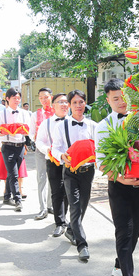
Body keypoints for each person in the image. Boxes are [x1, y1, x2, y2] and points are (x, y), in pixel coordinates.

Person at [95, 78, 139, 276]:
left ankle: (120, 264)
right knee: (124, 231)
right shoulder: (103, 126)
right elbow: (102, 163)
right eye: (115, 98)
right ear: (107, 100)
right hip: (119, 186)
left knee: (136, 227)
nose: (121, 102)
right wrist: (122, 180)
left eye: (123, 97)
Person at [51, 90, 96, 261]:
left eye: (81, 102)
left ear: (85, 104)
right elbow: (56, 147)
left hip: (88, 171)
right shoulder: (61, 125)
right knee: (75, 207)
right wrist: (61, 156)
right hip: (70, 172)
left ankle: (71, 230)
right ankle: (82, 244)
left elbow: (99, 148)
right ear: (70, 105)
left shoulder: (93, 126)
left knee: (83, 205)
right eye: (75, 102)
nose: (78, 105)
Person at [36, 93, 71, 237]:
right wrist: (48, 150)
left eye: (66, 102)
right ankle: (59, 223)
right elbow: (39, 142)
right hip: (53, 161)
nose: (64, 104)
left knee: (69, 192)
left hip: (71, 162)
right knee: (57, 191)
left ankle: (64, 216)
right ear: (54, 105)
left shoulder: (74, 121)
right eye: (60, 102)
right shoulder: (47, 123)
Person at [0, 87, 32, 212]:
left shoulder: (24, 113)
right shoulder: (1, 114)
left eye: (18, 98)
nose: (17, 100)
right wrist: (1, 132)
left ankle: (6, 196)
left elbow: (29, 131)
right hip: (7, 146)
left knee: (11, 173)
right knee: (14, 174)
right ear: (7, 99)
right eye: (14, 98)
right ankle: (17, 200)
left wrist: (26, 134)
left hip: (20, 146)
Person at [29, 87, 54, 220]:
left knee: (54, 178)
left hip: (55, 150)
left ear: (51, 96)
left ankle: (51, 205)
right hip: (40, 149)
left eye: (46, 97)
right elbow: (31, 132)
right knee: (41, 177)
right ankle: (42, 208)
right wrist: (37, 138)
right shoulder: (35, 115)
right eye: (41, 98)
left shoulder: (57, 113)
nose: (44, 100)